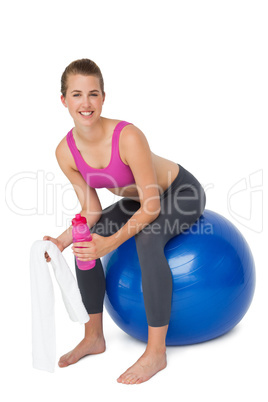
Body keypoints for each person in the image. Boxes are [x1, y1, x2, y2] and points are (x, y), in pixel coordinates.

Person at [43, 58, 206, 385]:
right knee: (86, 239)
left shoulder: (128, 136)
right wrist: (61, 241)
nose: (85, 103)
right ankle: (94, 337)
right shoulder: (66, 152)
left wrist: (112, 242)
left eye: (93, 94)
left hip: (180, 192)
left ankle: (156, 351)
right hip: (139, 201)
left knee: (147, 238)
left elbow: (151, 206)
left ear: (103, 98)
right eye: (76, 95)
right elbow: (91, 211)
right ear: (64, 100)